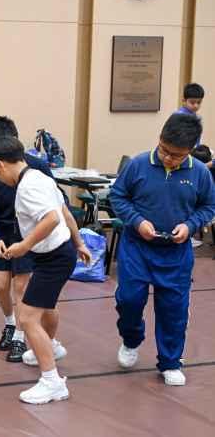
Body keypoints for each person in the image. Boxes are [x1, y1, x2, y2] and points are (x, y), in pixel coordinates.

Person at [110, 113, 215, 386]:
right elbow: (118, 196)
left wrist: (190, 225)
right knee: (129, 300)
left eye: (177, 155)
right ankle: (131, 340)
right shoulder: (139, 164)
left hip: (176, 252)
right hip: (136, 246)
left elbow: (208, 207)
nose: (168, 158)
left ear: (191, 150)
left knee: (174, 309)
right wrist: (137, 221)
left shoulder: (201, 173)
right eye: (164, 150)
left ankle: (170, 363)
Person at [0, 136, 91, 404]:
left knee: (28, 319)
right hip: (60, 252)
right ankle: (50, 348)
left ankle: (52, 382)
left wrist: (23, 245)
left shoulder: (26, 187)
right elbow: (66, 212)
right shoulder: (42, 176)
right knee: (42, 307)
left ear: (0, 165)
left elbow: (53, 218)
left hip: (53, 258)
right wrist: (79, 243)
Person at [0, 116, 72, 363]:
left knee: (26, 296)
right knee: (2, 286)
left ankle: (24, 340)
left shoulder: (34, 173)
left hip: (33, 241)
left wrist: (25, 244)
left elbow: (57, 211)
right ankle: (15, 326)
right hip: (7, 234)